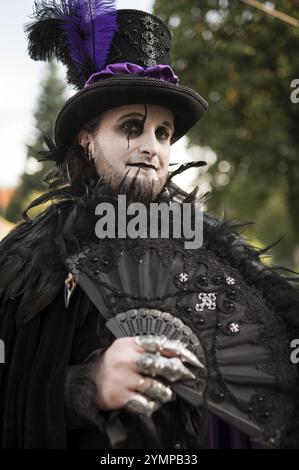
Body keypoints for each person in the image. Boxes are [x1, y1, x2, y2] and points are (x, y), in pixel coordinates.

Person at [0, 1, 298, 450]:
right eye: (131, 126)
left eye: (162, 133)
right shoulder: (27, 259)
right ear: (87, 139)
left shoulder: (208, 253)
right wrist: (85, 385)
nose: (150, 147)